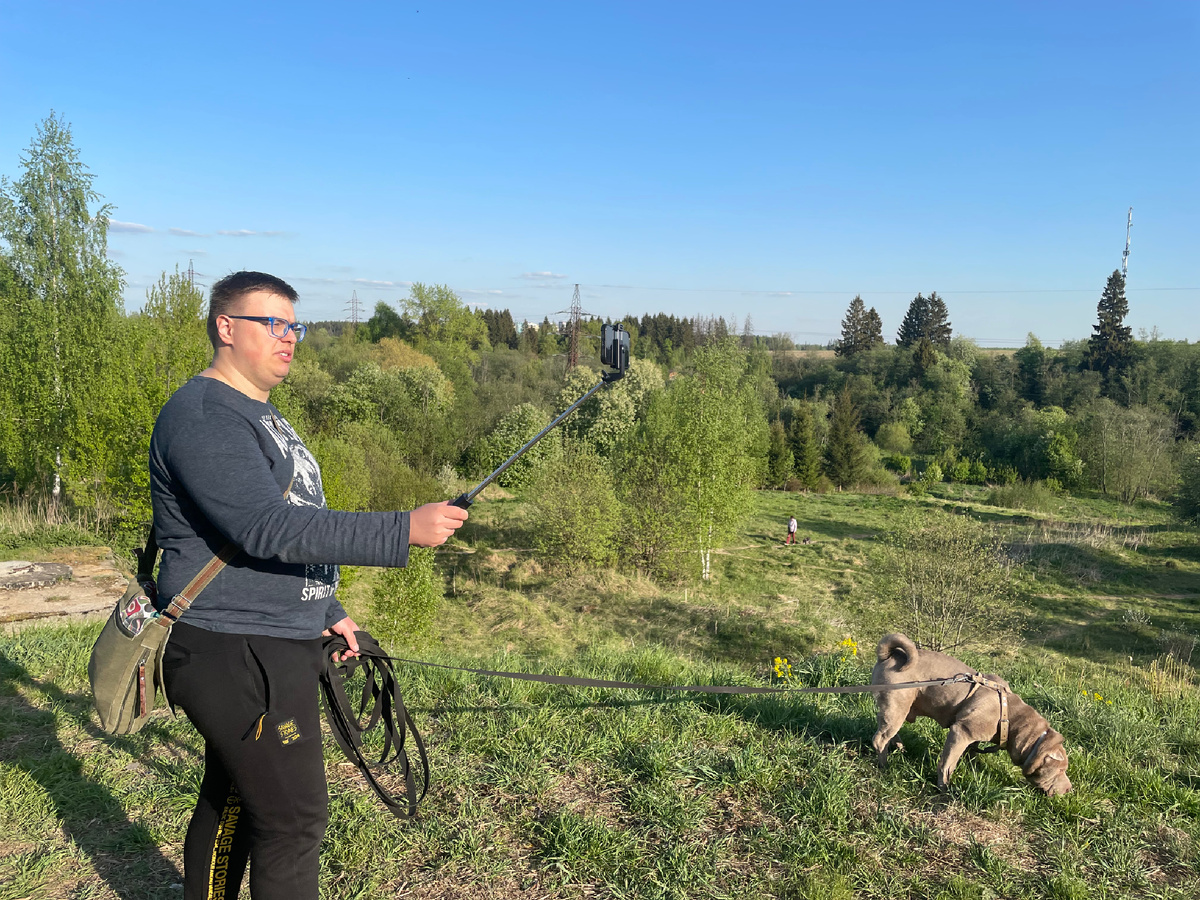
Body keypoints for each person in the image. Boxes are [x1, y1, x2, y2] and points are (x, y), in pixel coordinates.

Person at [151, 271, 468, 900]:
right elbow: (265, 527)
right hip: (232, 645)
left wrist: (327, 607)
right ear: (225, 327)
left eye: (293, 325)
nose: (288, 337)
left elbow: (281, 534)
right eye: (271, 323)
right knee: (294, 820)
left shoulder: (260, 416)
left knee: (238, 791)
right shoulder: (205, 414)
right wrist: (400, 530)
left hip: (266, 637)